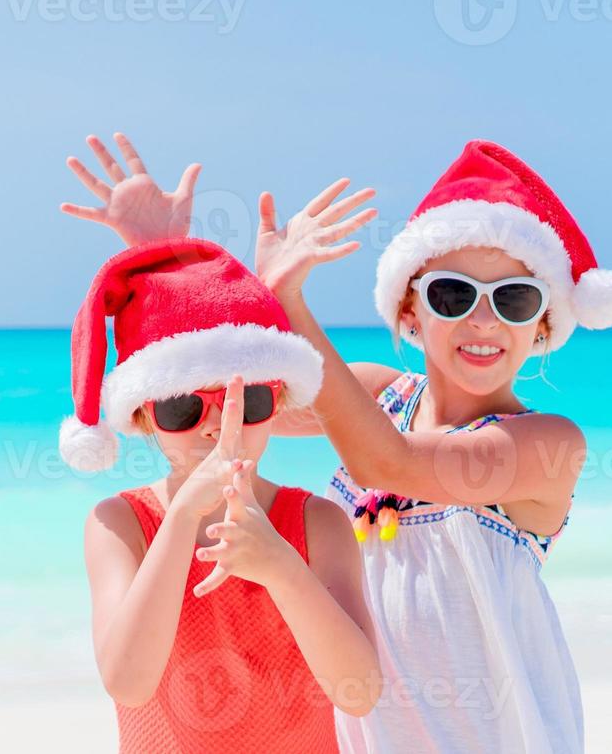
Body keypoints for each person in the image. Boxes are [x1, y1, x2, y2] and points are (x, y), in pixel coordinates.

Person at [63, 135, 612, 753]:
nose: (483, 320)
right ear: (410, 310)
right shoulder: (376, 398)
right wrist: (163, 262)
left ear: (544, 324)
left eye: (514, 300)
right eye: (453, 294)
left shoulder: (545, 443)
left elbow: (389, 461)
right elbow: (230, 397)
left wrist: (289, 300)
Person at [65, 238, 379, 752]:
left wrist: (281, 566)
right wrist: (184, 514)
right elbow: (128, 681)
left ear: (278, 401)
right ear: (145, 417)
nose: (218, 427)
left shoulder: (318, 523)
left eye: (247, 400)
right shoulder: (120, 524)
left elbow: (360, 692)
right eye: (184, 408)